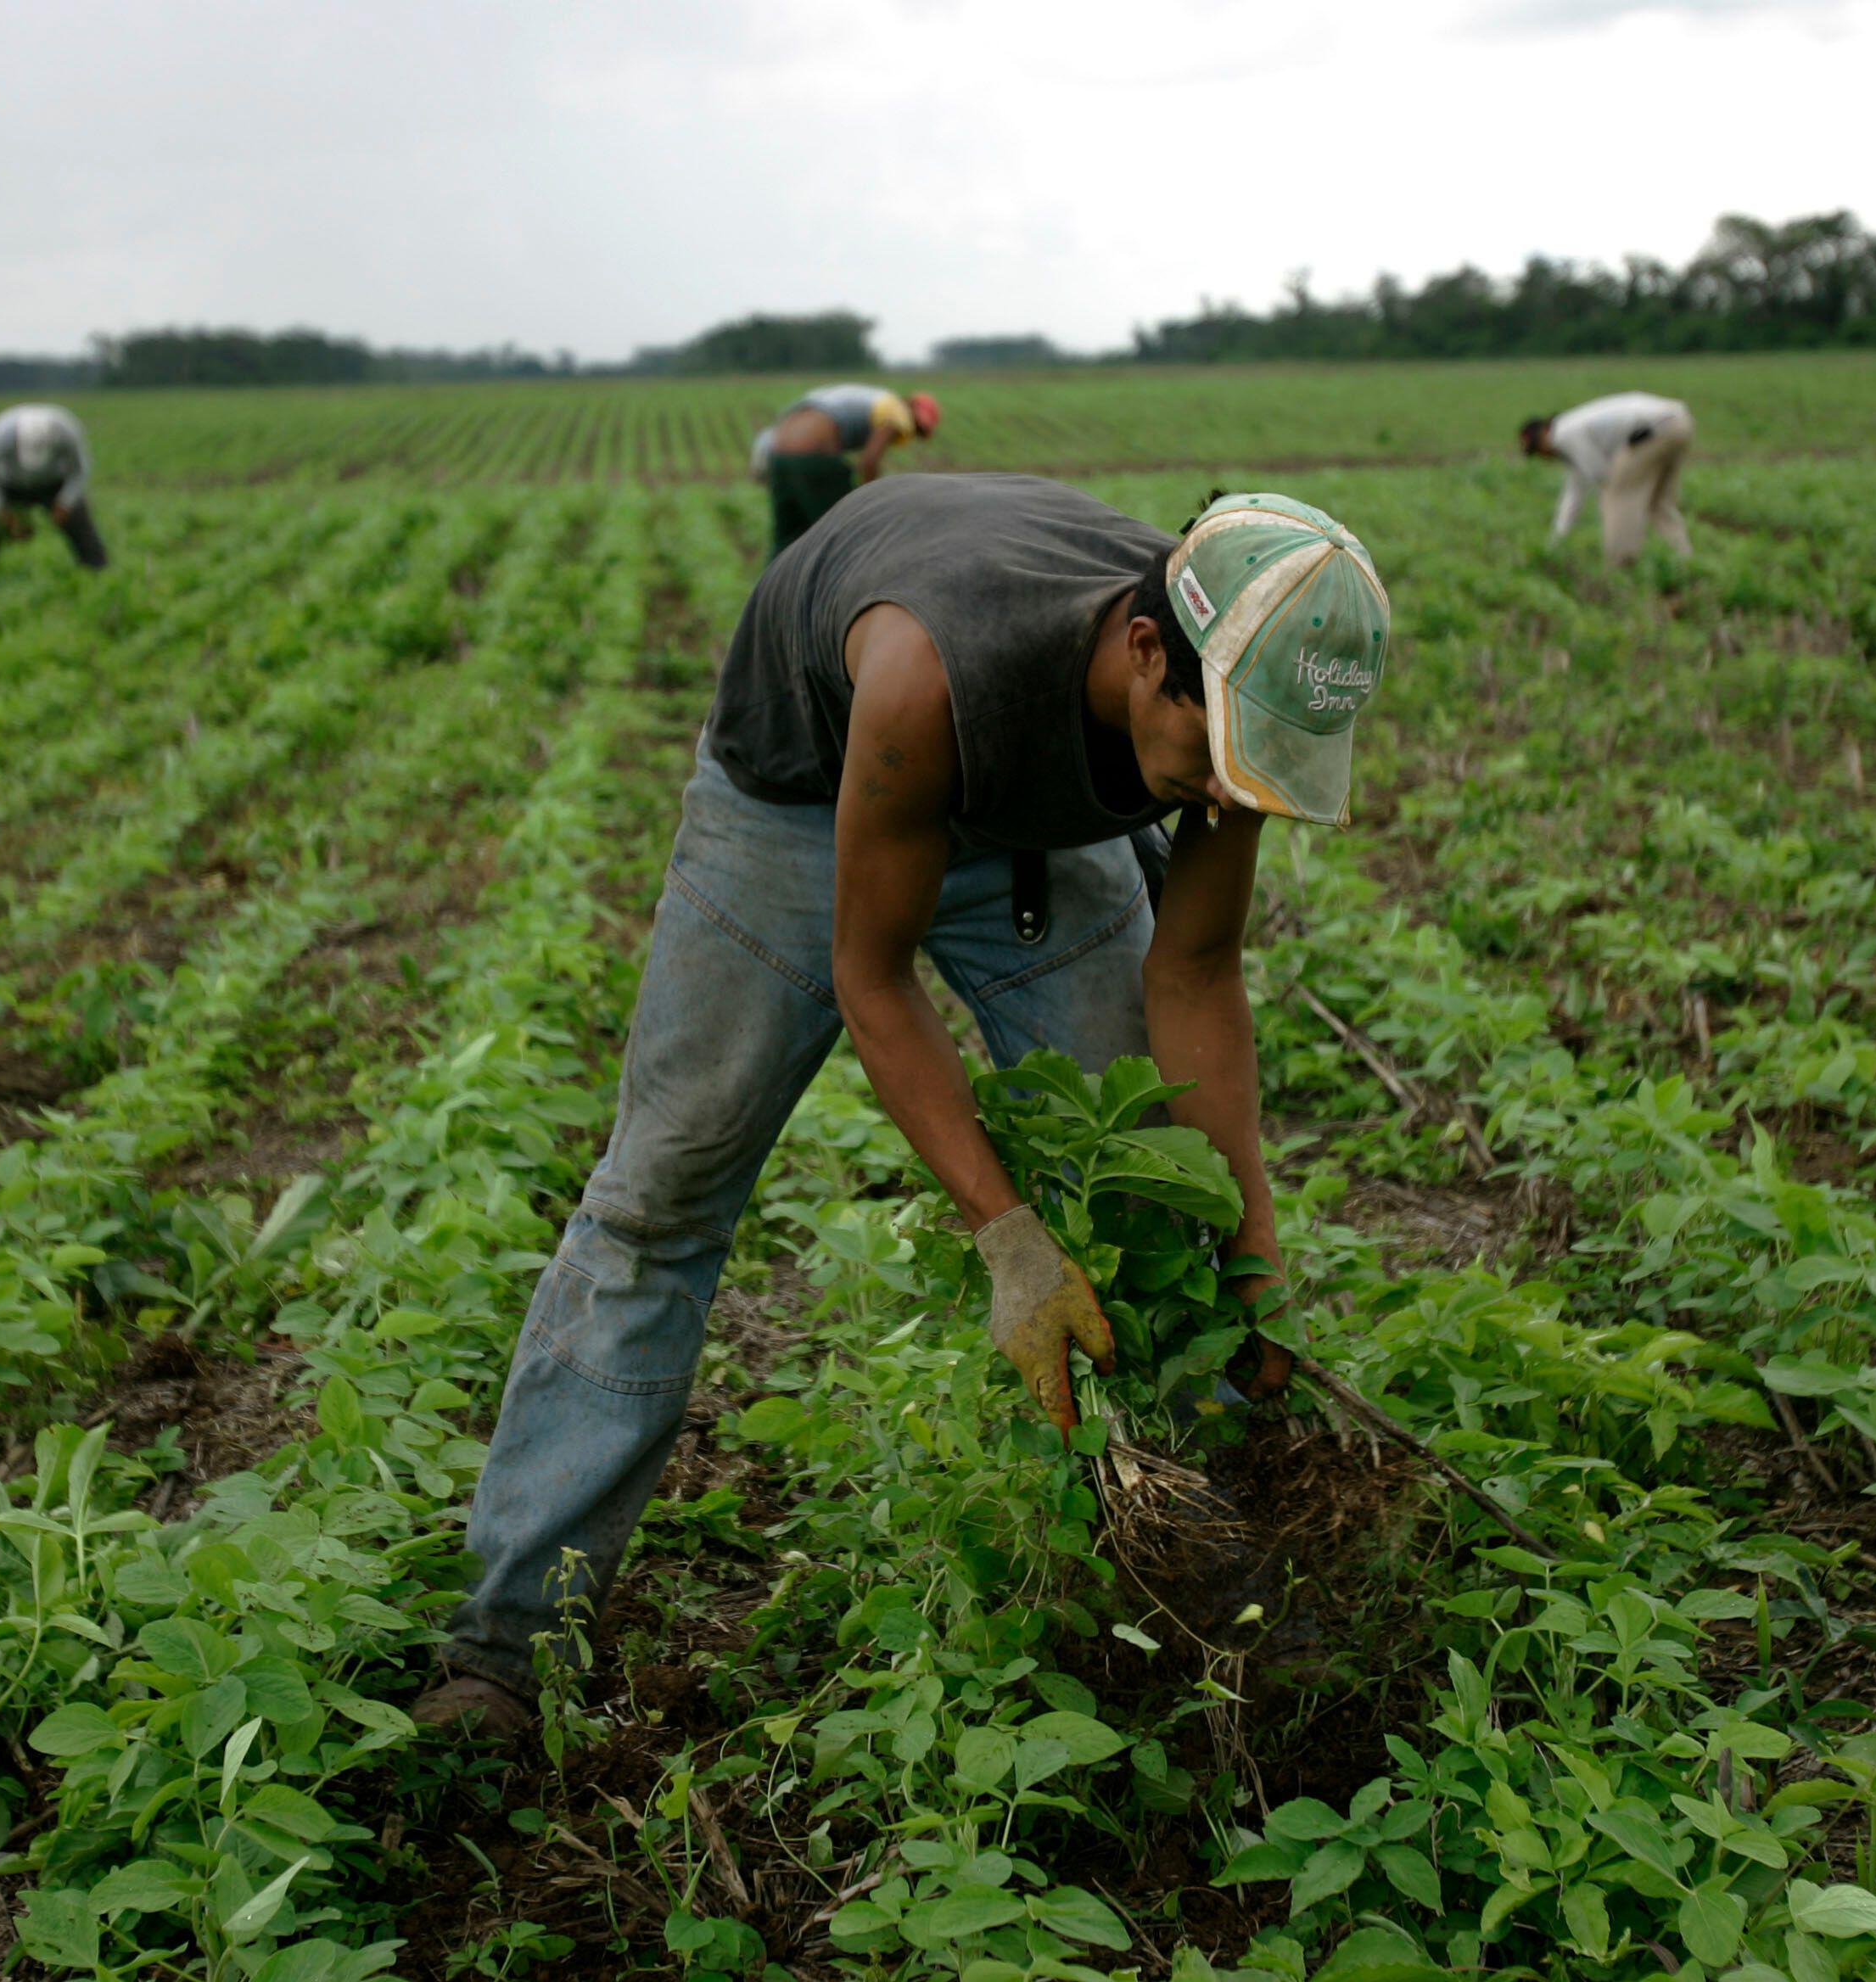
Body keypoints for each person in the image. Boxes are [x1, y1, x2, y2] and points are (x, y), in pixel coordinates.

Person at [412, 477, 1393, 1736]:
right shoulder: (934, 663)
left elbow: (1195, 974)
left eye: (1261, 765)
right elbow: (871, 982)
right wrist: (1009, 1237)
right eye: (1220, 749)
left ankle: (1225, 1599)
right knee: (663, 1196)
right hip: (810, 802)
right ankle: (506, 1640)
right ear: (1145, 652)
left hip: (1035, 822)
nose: (1228, 790)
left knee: (1153, 1191)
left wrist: (1251, 1249)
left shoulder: (1227, 681)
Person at [748, 383, 943, 558]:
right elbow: (869, 461)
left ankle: (771, 595)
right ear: (912, 410)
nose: (913, 432)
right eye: (918, 428)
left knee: (787, 539)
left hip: (778, 455)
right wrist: (869, 502)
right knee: (845, 537)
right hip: (813, 456)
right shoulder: (898, 412)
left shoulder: (869, 396)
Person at [1520, 391, 1694, 565]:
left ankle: (1620, 567)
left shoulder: (1562, 435)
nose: (1542, 457)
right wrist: (1556, 540)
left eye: (1537, 449)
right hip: (1679, 421)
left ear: (1544, 434)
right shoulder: (1571, 428)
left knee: (1615, 495)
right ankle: (1685, 559)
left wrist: (1556, 542)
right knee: (1659, 503)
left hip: (1655, 430)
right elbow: (1574, 493)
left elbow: (1600, 474)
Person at [0, 403, 107, 569]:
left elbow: (80, 469)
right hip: (10, 482)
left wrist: (66, 503)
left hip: (54, 482)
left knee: (81, 525)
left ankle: (97, 570)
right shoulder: (0, 435)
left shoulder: (68, 432)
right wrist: (0, 509)